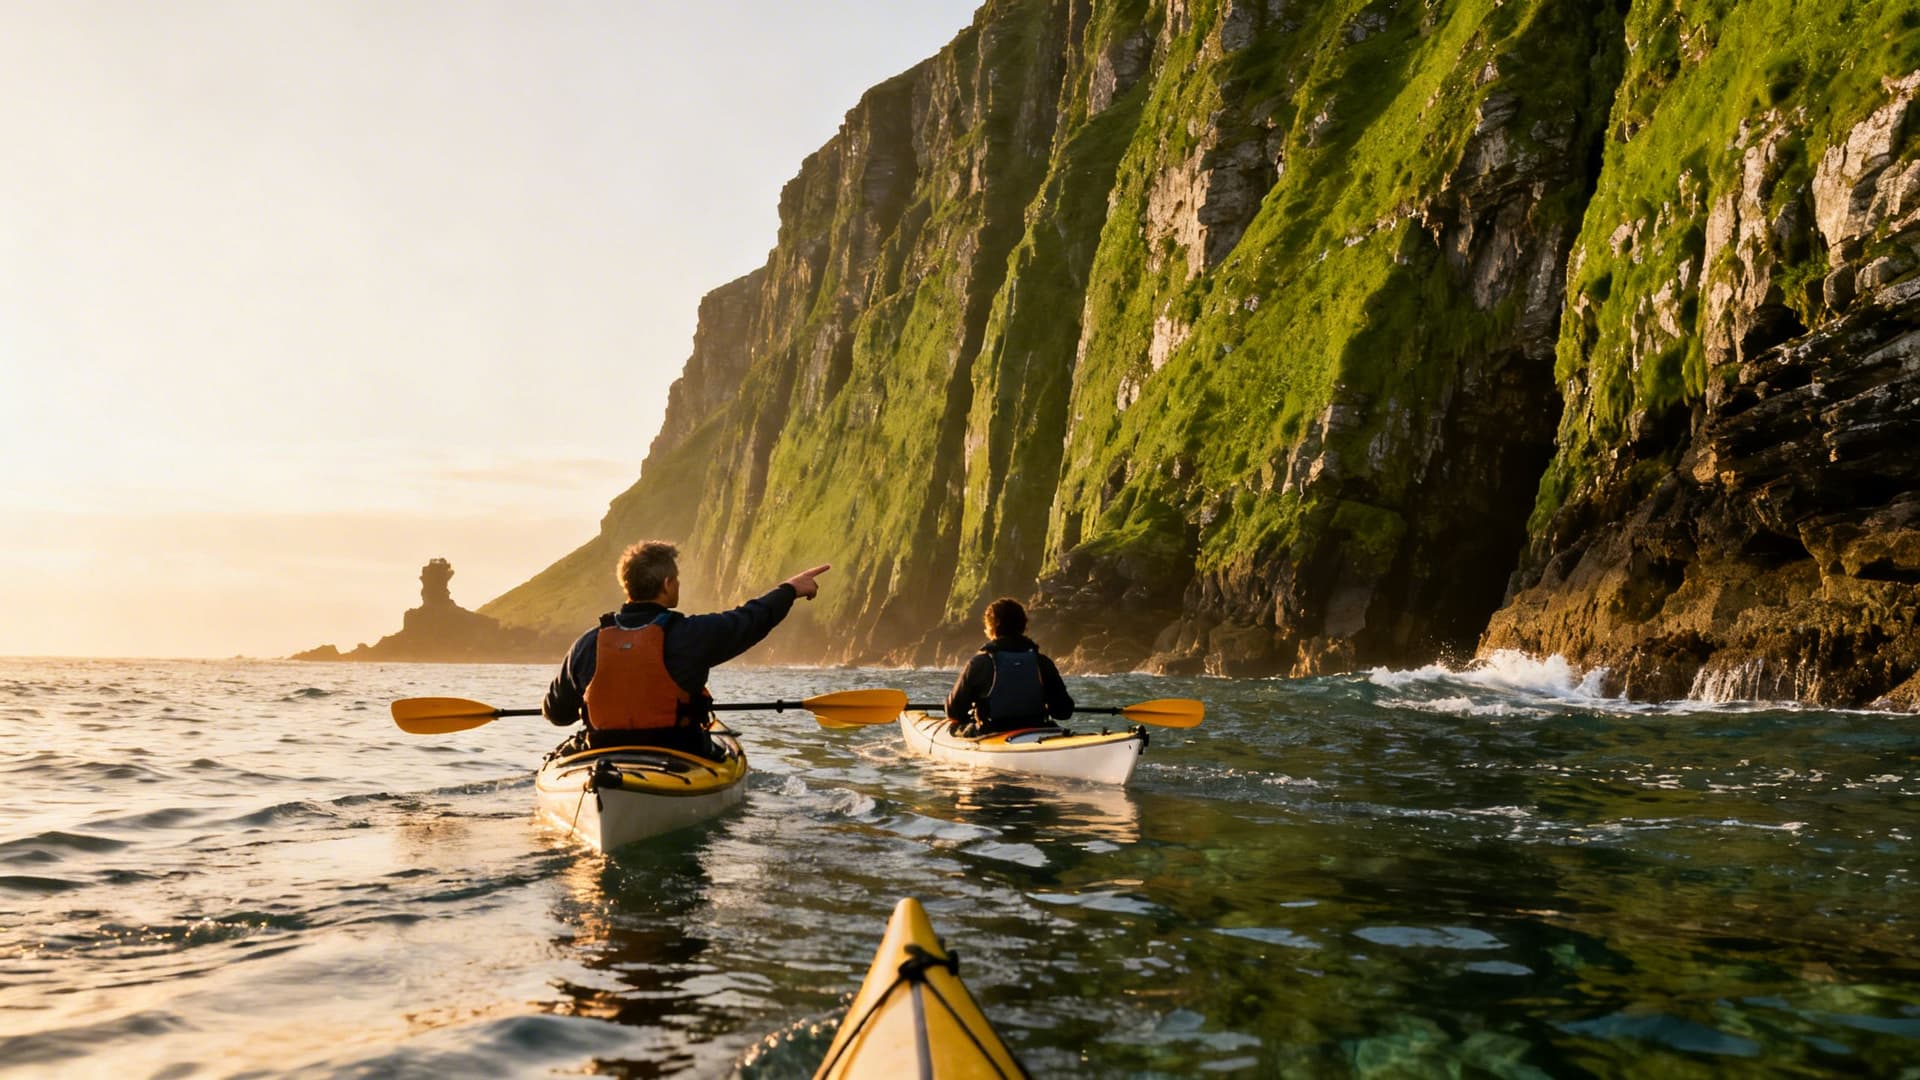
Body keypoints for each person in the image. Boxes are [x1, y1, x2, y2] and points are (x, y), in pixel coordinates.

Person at [543, 539, 829, 759]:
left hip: (603, 755)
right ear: (668, 584)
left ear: (627, 585)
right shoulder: (692, 635)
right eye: (676, 579)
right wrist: (790, 589)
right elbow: (750, 619)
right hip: (677, 754)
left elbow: (558, 714)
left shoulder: (587, 644)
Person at [945, 597, 1074, 738]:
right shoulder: (1042, 662)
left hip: (993, 734)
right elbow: (1063, 712)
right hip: (1037, 731)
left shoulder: (980, 663)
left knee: (955, 728)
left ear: (994, 625)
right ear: (1023, 626)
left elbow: (954, 711)